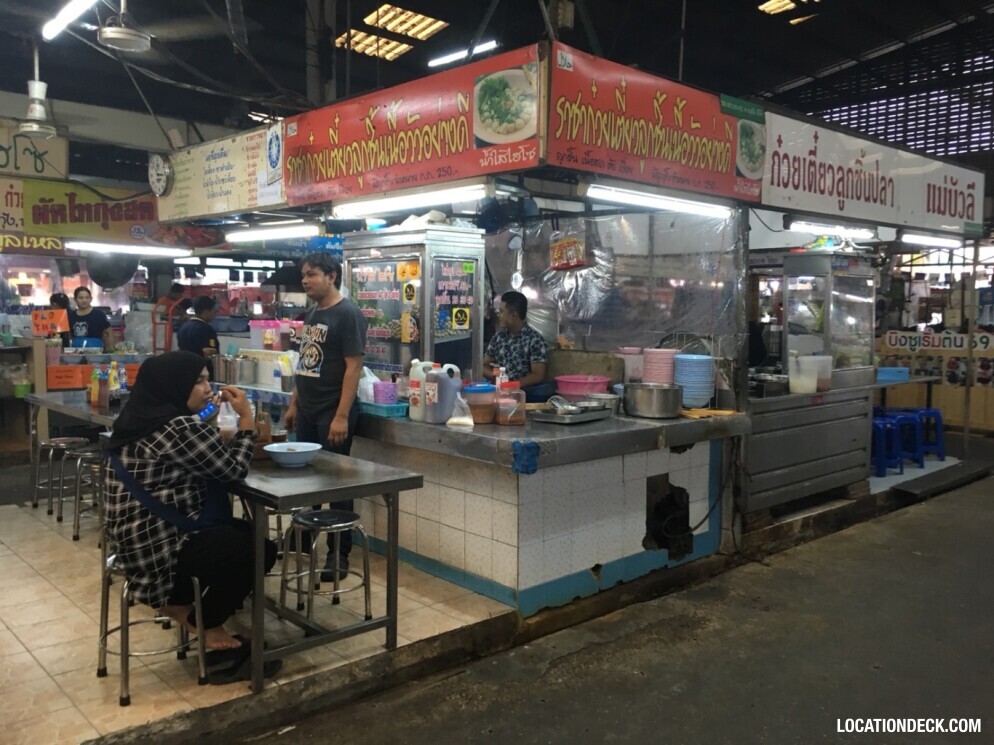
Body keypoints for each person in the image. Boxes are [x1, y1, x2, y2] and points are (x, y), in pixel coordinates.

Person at [103, 351, 275, 651]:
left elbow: (194, 446)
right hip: (161, 556)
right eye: (198, 381)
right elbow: (232, 471)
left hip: (131, 548)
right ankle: (203, 620)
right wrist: (247, 419)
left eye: (208, 379)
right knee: (259, 549)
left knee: (243, 535)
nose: (208, 388)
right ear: (173, 385)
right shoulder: (178, 427)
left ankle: (186, 606)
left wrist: (206, 414)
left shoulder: (137, 419)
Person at [284, 253, 366, 582]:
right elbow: (306, 363)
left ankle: (338, 553)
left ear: (331, 276)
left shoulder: (348, 314)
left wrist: (342, 415)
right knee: (309, 478)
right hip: (307, 409)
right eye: (303, 275)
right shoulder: (314, 313)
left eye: (312, 274)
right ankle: (308, 539)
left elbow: (354, 367)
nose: (305, 280)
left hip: (333, 411)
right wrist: (294, 403)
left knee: (336, 482)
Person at [482, 290, 549, 396]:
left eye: (502, 311)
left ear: (513, 315)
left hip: (525, 396)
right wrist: (496, 376)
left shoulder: (535, 340)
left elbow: (538, 375)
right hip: (501, 394)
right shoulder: (498, 338)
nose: (499, 315)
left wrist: (513, 385)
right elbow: (483, 365)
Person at [177, 296, 220, 374]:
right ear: (206, 312)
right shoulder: (206, 329)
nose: (215, 315)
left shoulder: (184, 327)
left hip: (183, 370)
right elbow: (209, 354)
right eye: (214, 311)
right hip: (200, 372)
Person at [69, 285, 112, 350]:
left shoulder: (99, 315)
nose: (84, 300)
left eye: (87, 297)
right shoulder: (71, 316)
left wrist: (111, 350)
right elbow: (69, 335)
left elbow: (109, 333)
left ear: (91, 299)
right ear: (75, 299)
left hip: (96, 353)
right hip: (75, 353)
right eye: (81, 298)